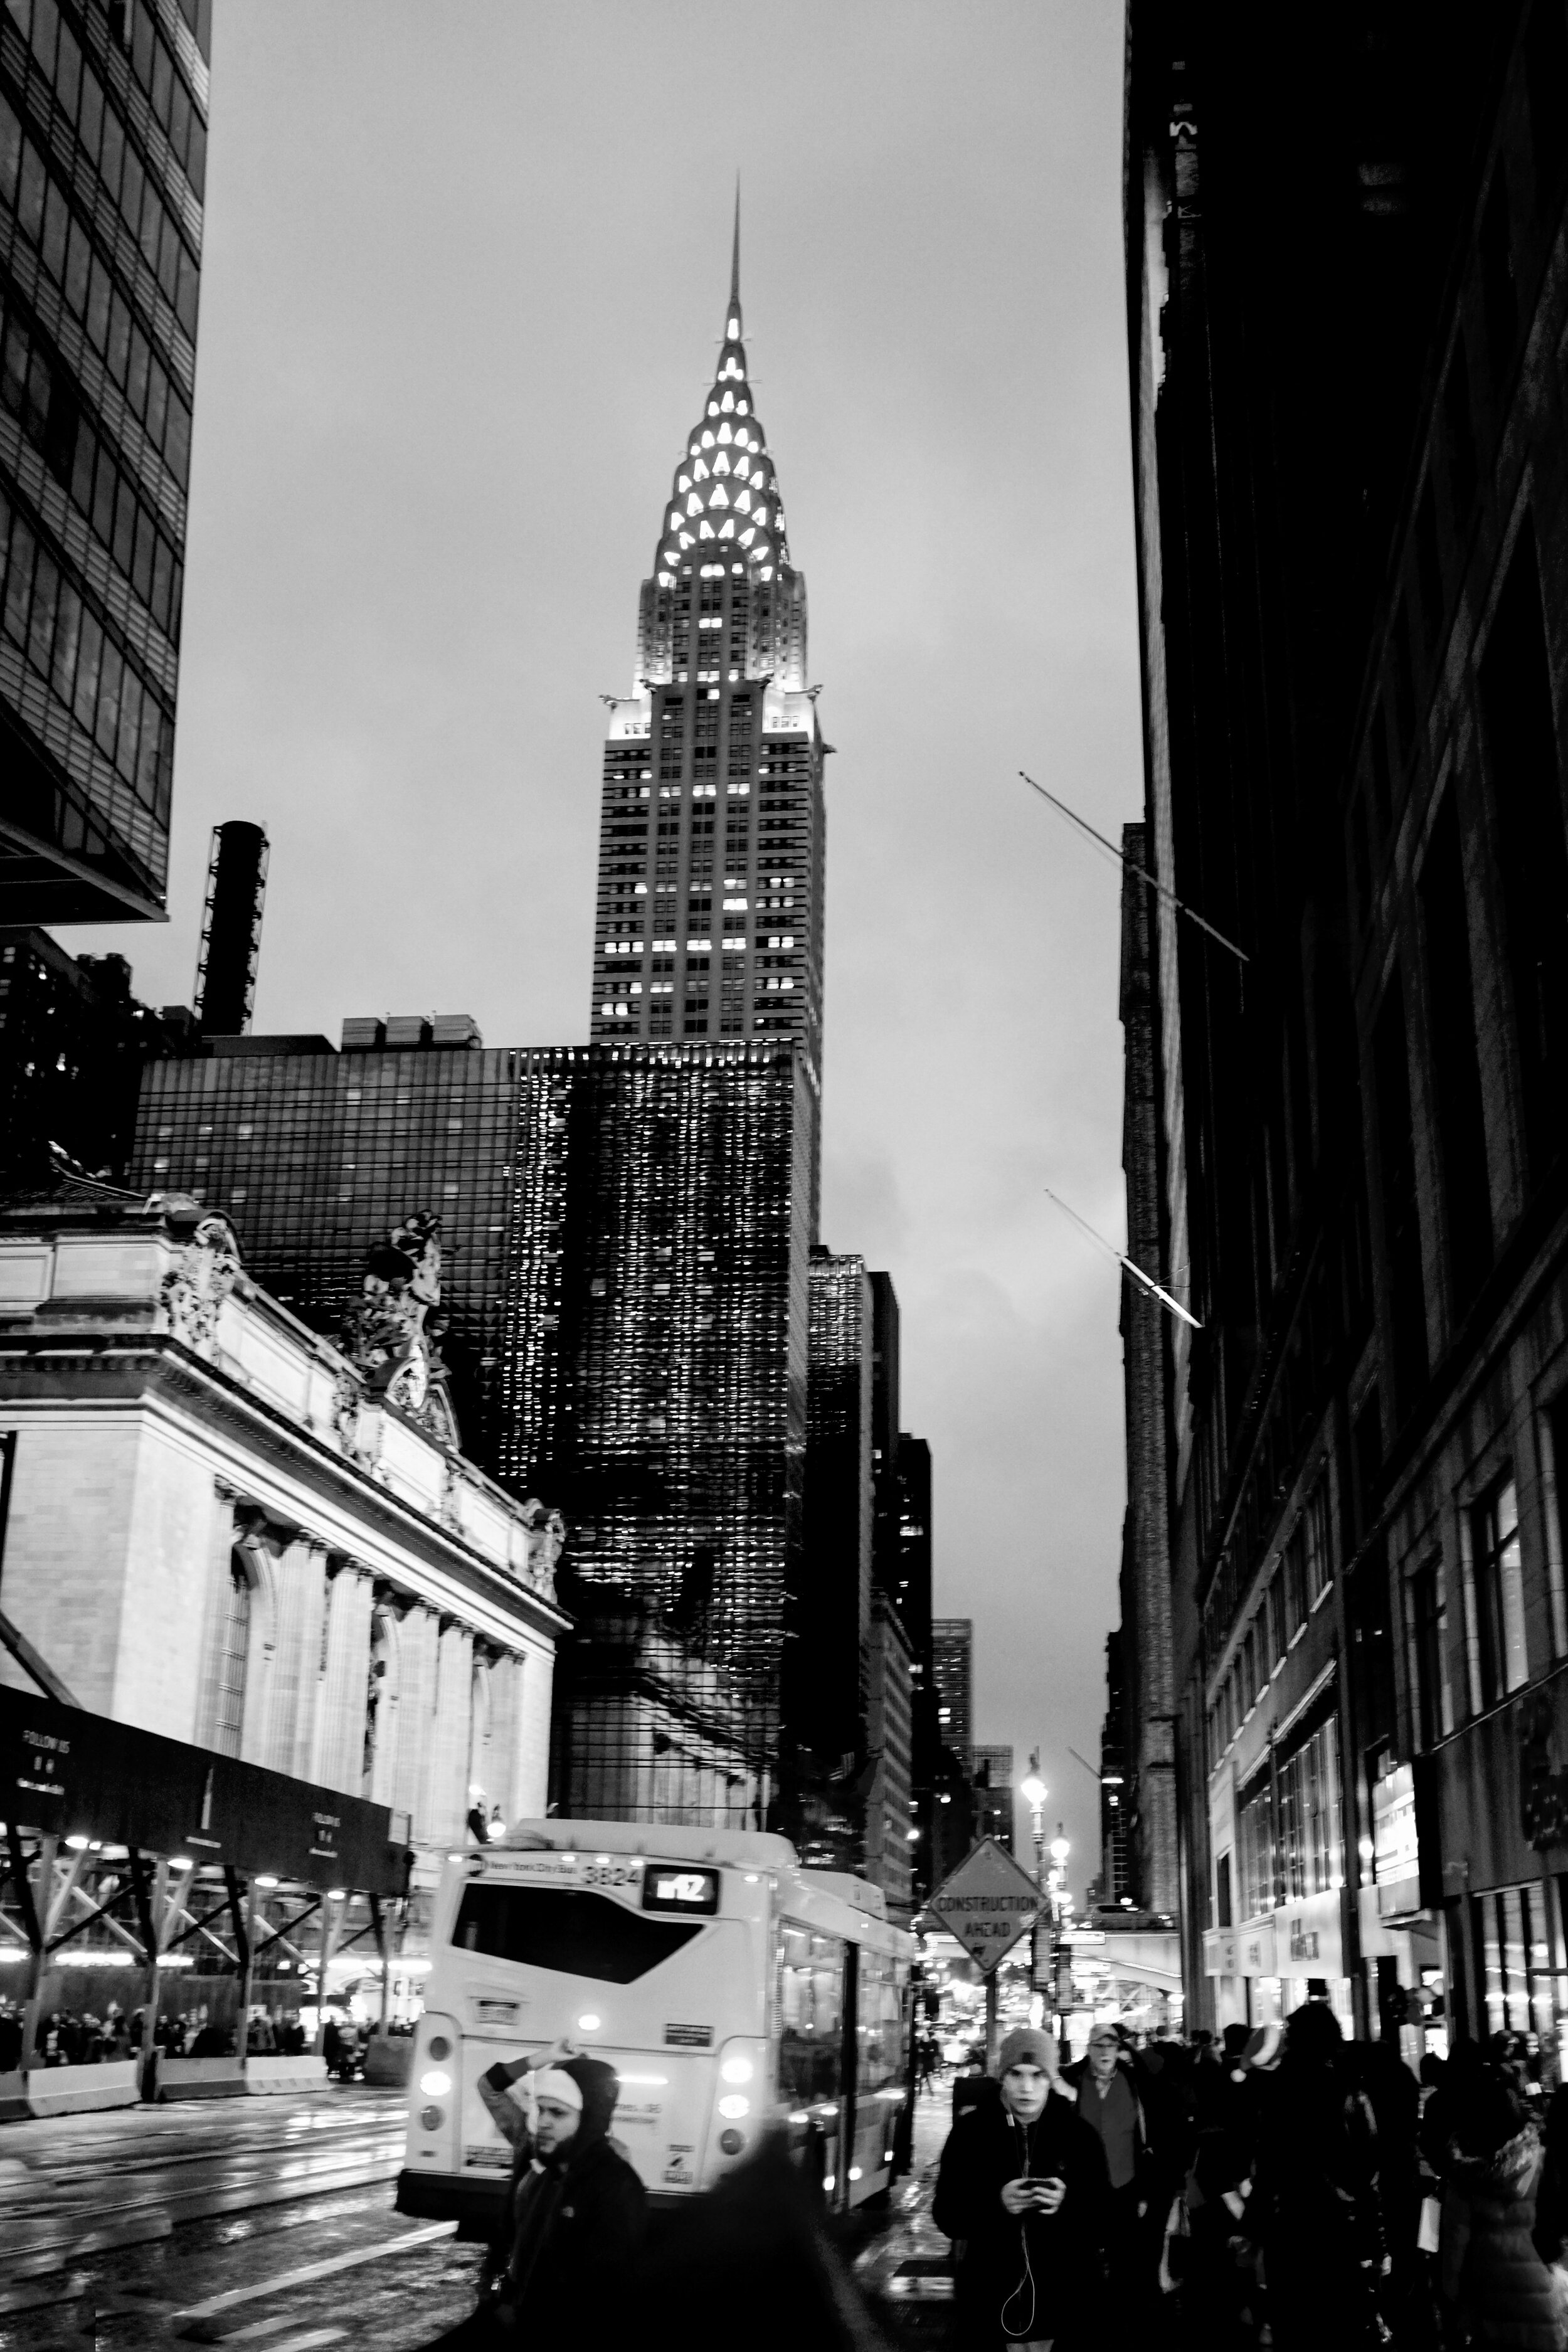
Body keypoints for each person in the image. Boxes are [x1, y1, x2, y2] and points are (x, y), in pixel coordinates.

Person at [428, 2048, 647, 2346]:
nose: (543, 2122)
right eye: (541, 2109)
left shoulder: (612, 2172)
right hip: (509, 2299)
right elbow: (489, 2085)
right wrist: (540, 2059)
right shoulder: (532, 2144)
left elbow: (603, 2279)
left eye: (558, 2111)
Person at [933, 2024, 1108, 2349]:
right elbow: (947, 2215)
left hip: (1066, 2303)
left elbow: (1107, 2220)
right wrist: (996, 2205)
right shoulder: (971, 2133)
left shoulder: (1079, 2135)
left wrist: (1066, 2204)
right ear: (1002, 2076)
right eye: (1016, 2074)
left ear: (1052, 2078)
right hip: (991, 2304)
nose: (1026, 2087)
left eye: (1038, 2075)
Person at [1249, 2003, 1384, 2352]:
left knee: (1295, 2326)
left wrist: (1252, 2225)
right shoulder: (1351, 2089)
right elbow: (1368, 2168)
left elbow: (1268, 2165)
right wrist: (1376, 2239)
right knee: (1339, 2326)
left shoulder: (1277, 2089)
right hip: (1340, 2226)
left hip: (1289, 2225)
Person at [1442, 2065, 1566, 2349]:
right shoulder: (1542, 2159)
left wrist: (1452, 2299)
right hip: (1540, 2291)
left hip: (1488, 2300)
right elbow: (1555, 2225)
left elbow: (1454, 2245)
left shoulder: (1464, 2174)